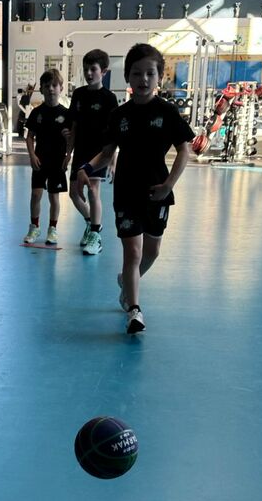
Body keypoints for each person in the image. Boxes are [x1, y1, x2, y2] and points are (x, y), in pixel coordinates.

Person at [76, 43, 193, 335]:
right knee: (133, 251)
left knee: (152, 252)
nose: (143, 79)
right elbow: (107, 152)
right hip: (126, 192)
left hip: (157, 192)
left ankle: (126, 282)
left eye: (150, 73)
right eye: (137, 73)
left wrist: (169, 185)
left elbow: (184, 150)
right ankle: (134, 310)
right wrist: (86, 168)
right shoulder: (119, 115)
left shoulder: (167, 112)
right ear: (128, 76)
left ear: (160, 77)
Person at [67, 49, 119, 255]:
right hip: (80, 151)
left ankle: (96, 236)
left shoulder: (109, 98)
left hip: (99, 153)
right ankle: (91, 222)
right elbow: (73, 126)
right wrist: (68, 154)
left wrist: (112, 159)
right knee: (74, 193)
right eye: (86, 69)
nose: (89, 73)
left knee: (93, 191)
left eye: (93, 69)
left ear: (103, 72)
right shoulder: (78, 94)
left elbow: (114, 134)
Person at [24, 69, 72, 246]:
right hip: (40, 160)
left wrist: (68, 155)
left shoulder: (66, 114)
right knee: (36, 194)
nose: (51, 89)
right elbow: (29, 137)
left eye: (54, 85)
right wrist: (32, 155)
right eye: (47, 86)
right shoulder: (37, 113)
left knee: (54, 197)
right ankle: (34, 227)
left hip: (57, 161)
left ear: (61, 88)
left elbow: (72, 139)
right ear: (42, 90)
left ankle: (52, 229)